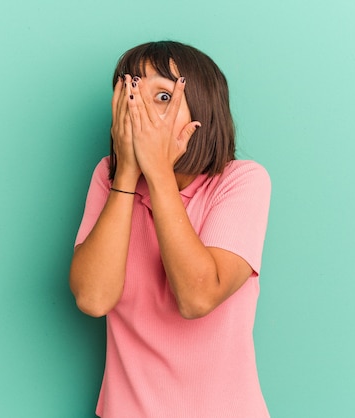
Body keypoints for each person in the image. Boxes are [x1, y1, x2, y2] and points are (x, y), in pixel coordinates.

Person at [70, 41, 271, 417]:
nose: (140, 108)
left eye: (162, 94)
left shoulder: (243, 181)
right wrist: (127, 172)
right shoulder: (109, 178)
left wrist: (159, 173)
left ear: (202, 113)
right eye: (130, 93)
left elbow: (197, 298)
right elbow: (93, 299)